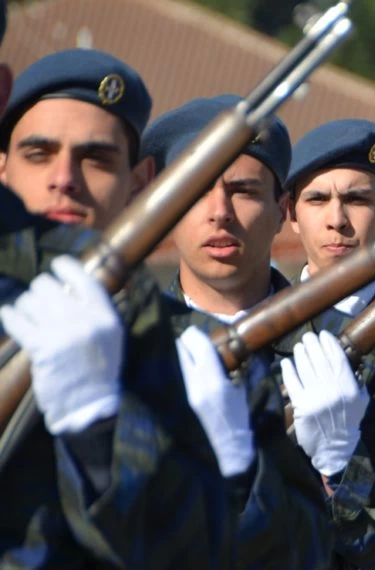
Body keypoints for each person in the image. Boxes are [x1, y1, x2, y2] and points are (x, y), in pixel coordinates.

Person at [148, 107, 375, 567]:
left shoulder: (350, 352)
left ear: (280, 210)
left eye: (244, 191)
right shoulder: (129, 350)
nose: (219, 213)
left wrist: (344, 471)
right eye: (196, 191)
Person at [0, 42, 235, 567]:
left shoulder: (190, 349)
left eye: (96, 159)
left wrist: (104, 434)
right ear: (2, 167)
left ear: (140, 183)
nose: (64, 178)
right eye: (39, 153)